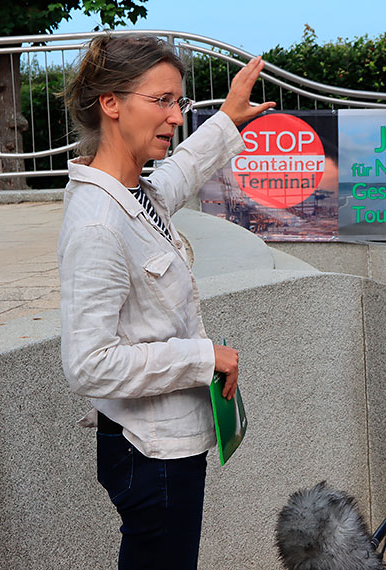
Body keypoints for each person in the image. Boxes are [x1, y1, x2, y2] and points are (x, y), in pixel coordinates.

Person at [58, 33, 275, 569]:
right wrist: (203, 358)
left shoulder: (135, 191)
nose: (176, 117)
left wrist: (226, 119)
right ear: (111, 103)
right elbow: (88, 366)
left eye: (177, 102)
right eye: (162, 101)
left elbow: (177, 176)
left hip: (165, 445)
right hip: (148, 454)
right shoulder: (97, 224)